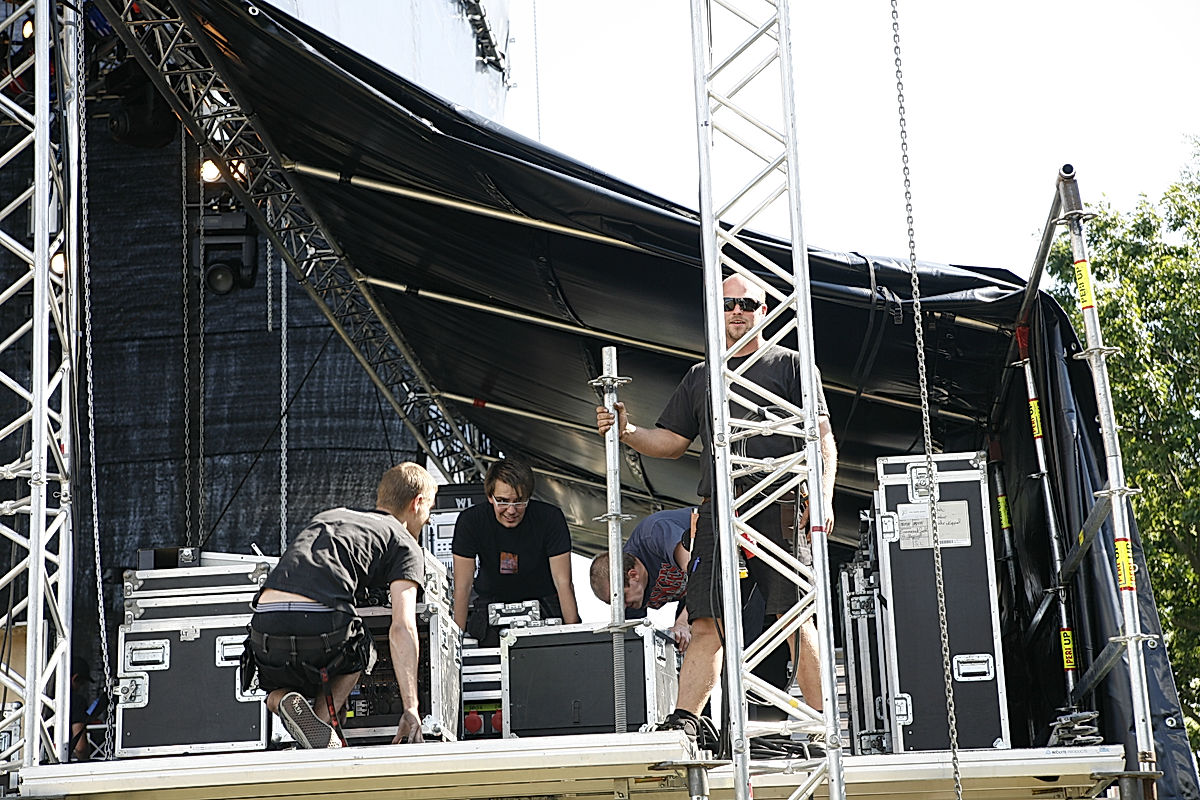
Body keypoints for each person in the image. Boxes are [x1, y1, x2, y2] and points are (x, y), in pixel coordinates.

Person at [596, 273, 838, 742]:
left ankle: (821, 724)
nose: (738, 312)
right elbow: (671, 442)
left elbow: (823, 438)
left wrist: (823, 494)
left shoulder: (791, 365)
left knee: (792, 616)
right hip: (718, 507)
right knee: (705, 616)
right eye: (729, 305)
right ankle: (688, 722)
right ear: (717, 312)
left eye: (748, 304)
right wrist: (625, 431)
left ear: (764, 311)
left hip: (780, 499)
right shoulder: (701, 375)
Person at [244, 462, 436, 749]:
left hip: (265, 623)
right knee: (360, 646)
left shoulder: (331, 516)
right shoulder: (404, 542)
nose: (427, 519)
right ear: (418, 503)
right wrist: (411, 707)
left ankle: (282, 700)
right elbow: (402, 625)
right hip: (318, 619)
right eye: (429, 511)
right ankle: (321, 728)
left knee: (283, 676)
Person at [452, 458, 580, 645]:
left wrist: (574, 635)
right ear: (490, 496)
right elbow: (462, 586)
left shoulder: (550, 518)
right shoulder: (471, 521)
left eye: (519, 501)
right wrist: (457, 640)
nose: (511, 510)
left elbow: (563, 582)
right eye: (503, 501)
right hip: (490, 607)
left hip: (544, 603)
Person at [588, 507, 693, 650]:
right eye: (614, 603)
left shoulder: (655, 534)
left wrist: (682, 624)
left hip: (720, 554)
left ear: (633, 575)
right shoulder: (632, 598)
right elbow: (636, 641)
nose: (622, 607)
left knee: (699, 628)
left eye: (622, 597)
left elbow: (703, 572)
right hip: (695, 591)